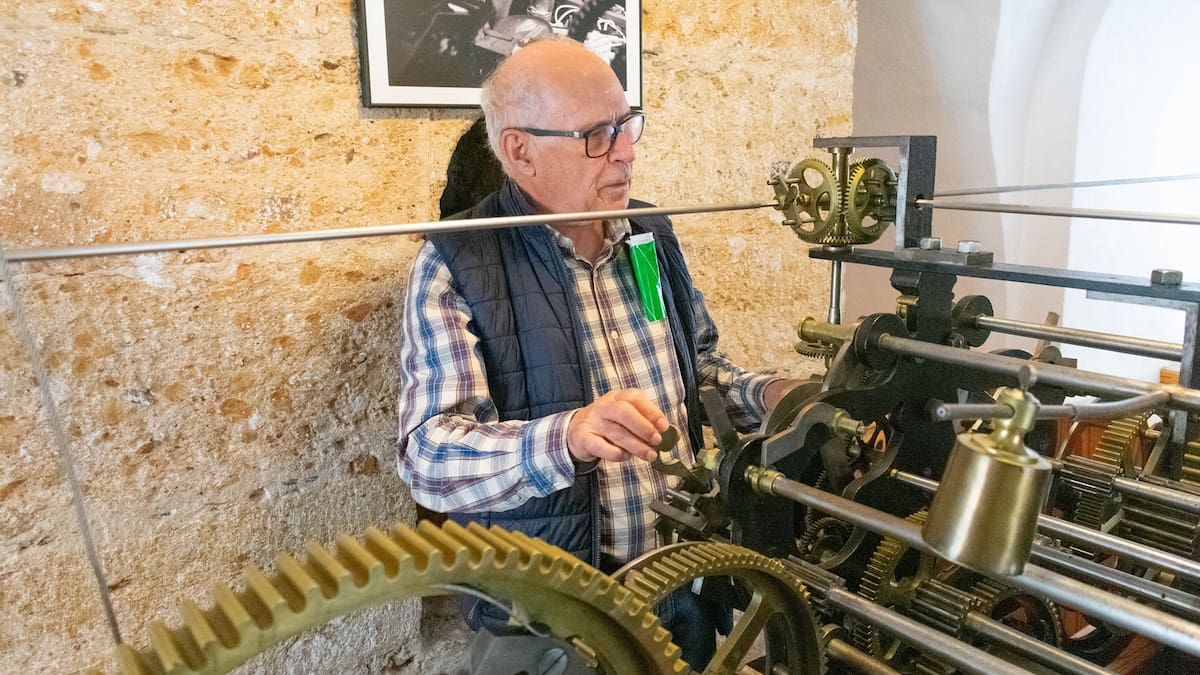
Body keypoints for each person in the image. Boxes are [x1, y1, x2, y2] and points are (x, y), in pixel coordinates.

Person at [397, 37, 796, 668]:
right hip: (551, 618)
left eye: (626, 124)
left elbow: (702, 377)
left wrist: (772, 397)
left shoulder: (649, 236)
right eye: (597, 135)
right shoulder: (456, 263)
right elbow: (430, 456)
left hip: (680, 589)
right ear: (519, 151)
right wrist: (570, 436)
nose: (627, 152)